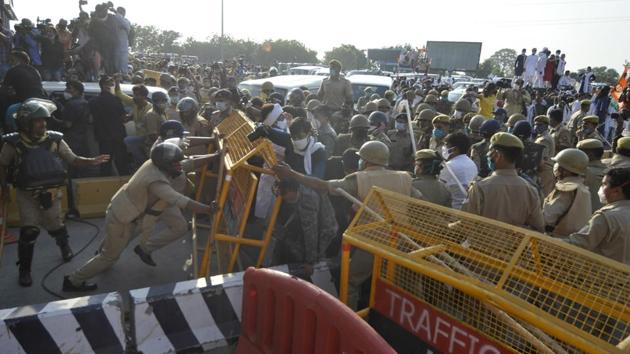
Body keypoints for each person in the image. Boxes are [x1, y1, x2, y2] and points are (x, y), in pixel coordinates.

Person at [272, 141, 423, 308]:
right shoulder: (404, 177)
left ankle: (351, 320)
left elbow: (322, 185)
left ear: (365, 161)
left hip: (373, 242)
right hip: (400, 241)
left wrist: (291, 173)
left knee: (350, 281)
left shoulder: (360, 179)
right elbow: (420, 202)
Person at [63, 142, 219, 291]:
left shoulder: (155, 163)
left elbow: (189, 164)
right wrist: (207, 209)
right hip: (124, 218)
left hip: (128, 212)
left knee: (114, 244)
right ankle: (73, 281)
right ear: (166, 165)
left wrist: (215, 156)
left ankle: (104, 252)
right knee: (109, 257)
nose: (180, 165)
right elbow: (181, 201)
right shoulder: (157, 182)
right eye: (176, 163)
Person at [0, 99, 110, 286]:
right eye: (37, 120)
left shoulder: (54, 139)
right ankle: (24, 270)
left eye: (44, 120)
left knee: (56, 226)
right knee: (29, 232)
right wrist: (3, 188)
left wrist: (92, 161)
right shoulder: (13, 143)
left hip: (51, 192)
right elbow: (3, 165)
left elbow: (73, 159)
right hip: (27, 195)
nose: (42, 124)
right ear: (26, 122)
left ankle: (64, 246)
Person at [462, 132, 544, 232]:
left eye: (489, 152)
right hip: (515, 246)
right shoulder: (531, 190)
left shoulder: (480, 187)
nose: (488, 155)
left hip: (479, 246)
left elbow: (466, 224)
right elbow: (538, 227)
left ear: (497, 155)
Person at [565, 168, 630, 265]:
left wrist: (545, 241)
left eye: (604, 184)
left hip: (601, 276)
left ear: (616, 191)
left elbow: (579, 243)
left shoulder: (606, 217)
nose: (601, 188)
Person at [271, 178, 338, 271]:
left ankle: (314, 262)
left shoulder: (308, 200)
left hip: (324, 230)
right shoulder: (296, 184)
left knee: (302, 253)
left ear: (292, 190)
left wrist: (309, 262)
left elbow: (311, 233)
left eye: (284, 194)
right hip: (309, 218)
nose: (282, 197)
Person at [543, 149, 592, 237]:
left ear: (564, 170)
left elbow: (548, 218)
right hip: (572, 239)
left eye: (558, 164)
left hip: (556, 239)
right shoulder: (582, 188)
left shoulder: (566, 188)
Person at [89, 75, 130, 176]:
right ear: (104, 86)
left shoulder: (93, 101)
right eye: (111, 84)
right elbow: (123, 118)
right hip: (118, 135)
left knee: (105, 163)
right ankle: (124, 182)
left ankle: (105, 182)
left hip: (103, 136)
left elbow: (90, 119)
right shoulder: (116, 100)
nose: (111, 86)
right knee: (121, 162)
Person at [115, 77, 153, 168]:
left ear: (144, 96)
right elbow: (119, 93)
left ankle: (144, 163)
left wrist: (131, 117)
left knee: (127, 141)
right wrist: (117, 81)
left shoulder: (150, 108)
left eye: (138, 95)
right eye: (134, 94)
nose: (135, 97)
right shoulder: (134, 103)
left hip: (148, 137)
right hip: (139, 135)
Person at [439, 132, 477, 209]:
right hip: (468, 208)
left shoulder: (449, 166)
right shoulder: (472, 163)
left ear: (455, 149)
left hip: (453, 210)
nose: (443, 147)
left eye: (446, 145)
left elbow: (439, 188)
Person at [61, 80, 91, 166]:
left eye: (69, 88)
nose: (67, 90)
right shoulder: (85, 103)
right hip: (83, 139)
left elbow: (68, 124)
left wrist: (56, 121)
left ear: (77, 90)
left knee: (72, 164)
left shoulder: (70, 104)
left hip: (72, 139)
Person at [577, 139, 607, 213]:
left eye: (579, 153)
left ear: (589, 155)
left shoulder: (581, 172)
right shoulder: (609, 170)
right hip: (604, 214)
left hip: (584, 215)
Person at [533, 115, 556, 196]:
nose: (536, 127)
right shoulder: (544, 137)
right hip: (547, 170)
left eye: (539, 125)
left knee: (543, 196)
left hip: (544, 172)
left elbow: (541, 160)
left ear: (546, 126)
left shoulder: (544, 139)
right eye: (535, 124)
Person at [113, 7, 131, 74]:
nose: (119, 14)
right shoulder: (112, 20)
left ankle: (124, 78)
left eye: (120, 12)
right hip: (114, 46)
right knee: (115, 66)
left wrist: (116, 12)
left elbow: (126, 25)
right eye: (118, 12)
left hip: (123, 47)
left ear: (124, 13)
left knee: (123, 65)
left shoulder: (126, 21)